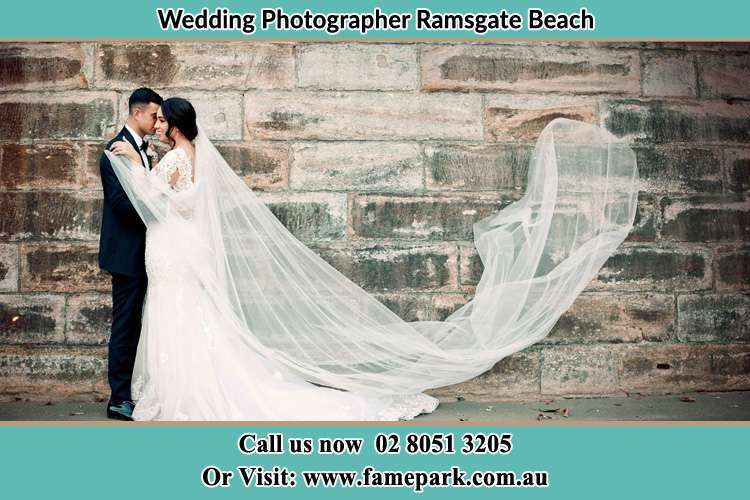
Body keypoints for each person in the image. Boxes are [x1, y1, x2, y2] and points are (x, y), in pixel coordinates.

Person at [106, 98, 639, 421]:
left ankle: (186, 392)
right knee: (194, 316)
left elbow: (165, 200)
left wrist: (135, 165)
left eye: (158, 121)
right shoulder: (194, 156)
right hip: (179, 248)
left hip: (173, 247)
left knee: (182, 315)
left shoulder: (174, 160)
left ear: (170, 125)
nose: (153, 126)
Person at [98, 87, 162, 421]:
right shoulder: (116, 150)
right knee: (124, 325)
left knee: (139, 323)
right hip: (126, 252)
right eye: (154, 115)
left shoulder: (141, 150)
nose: (157, 122)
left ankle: (134, 392)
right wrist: (160, 211)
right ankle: (119, 398)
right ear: (137, 113)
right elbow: (122, 204)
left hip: (145, 251)